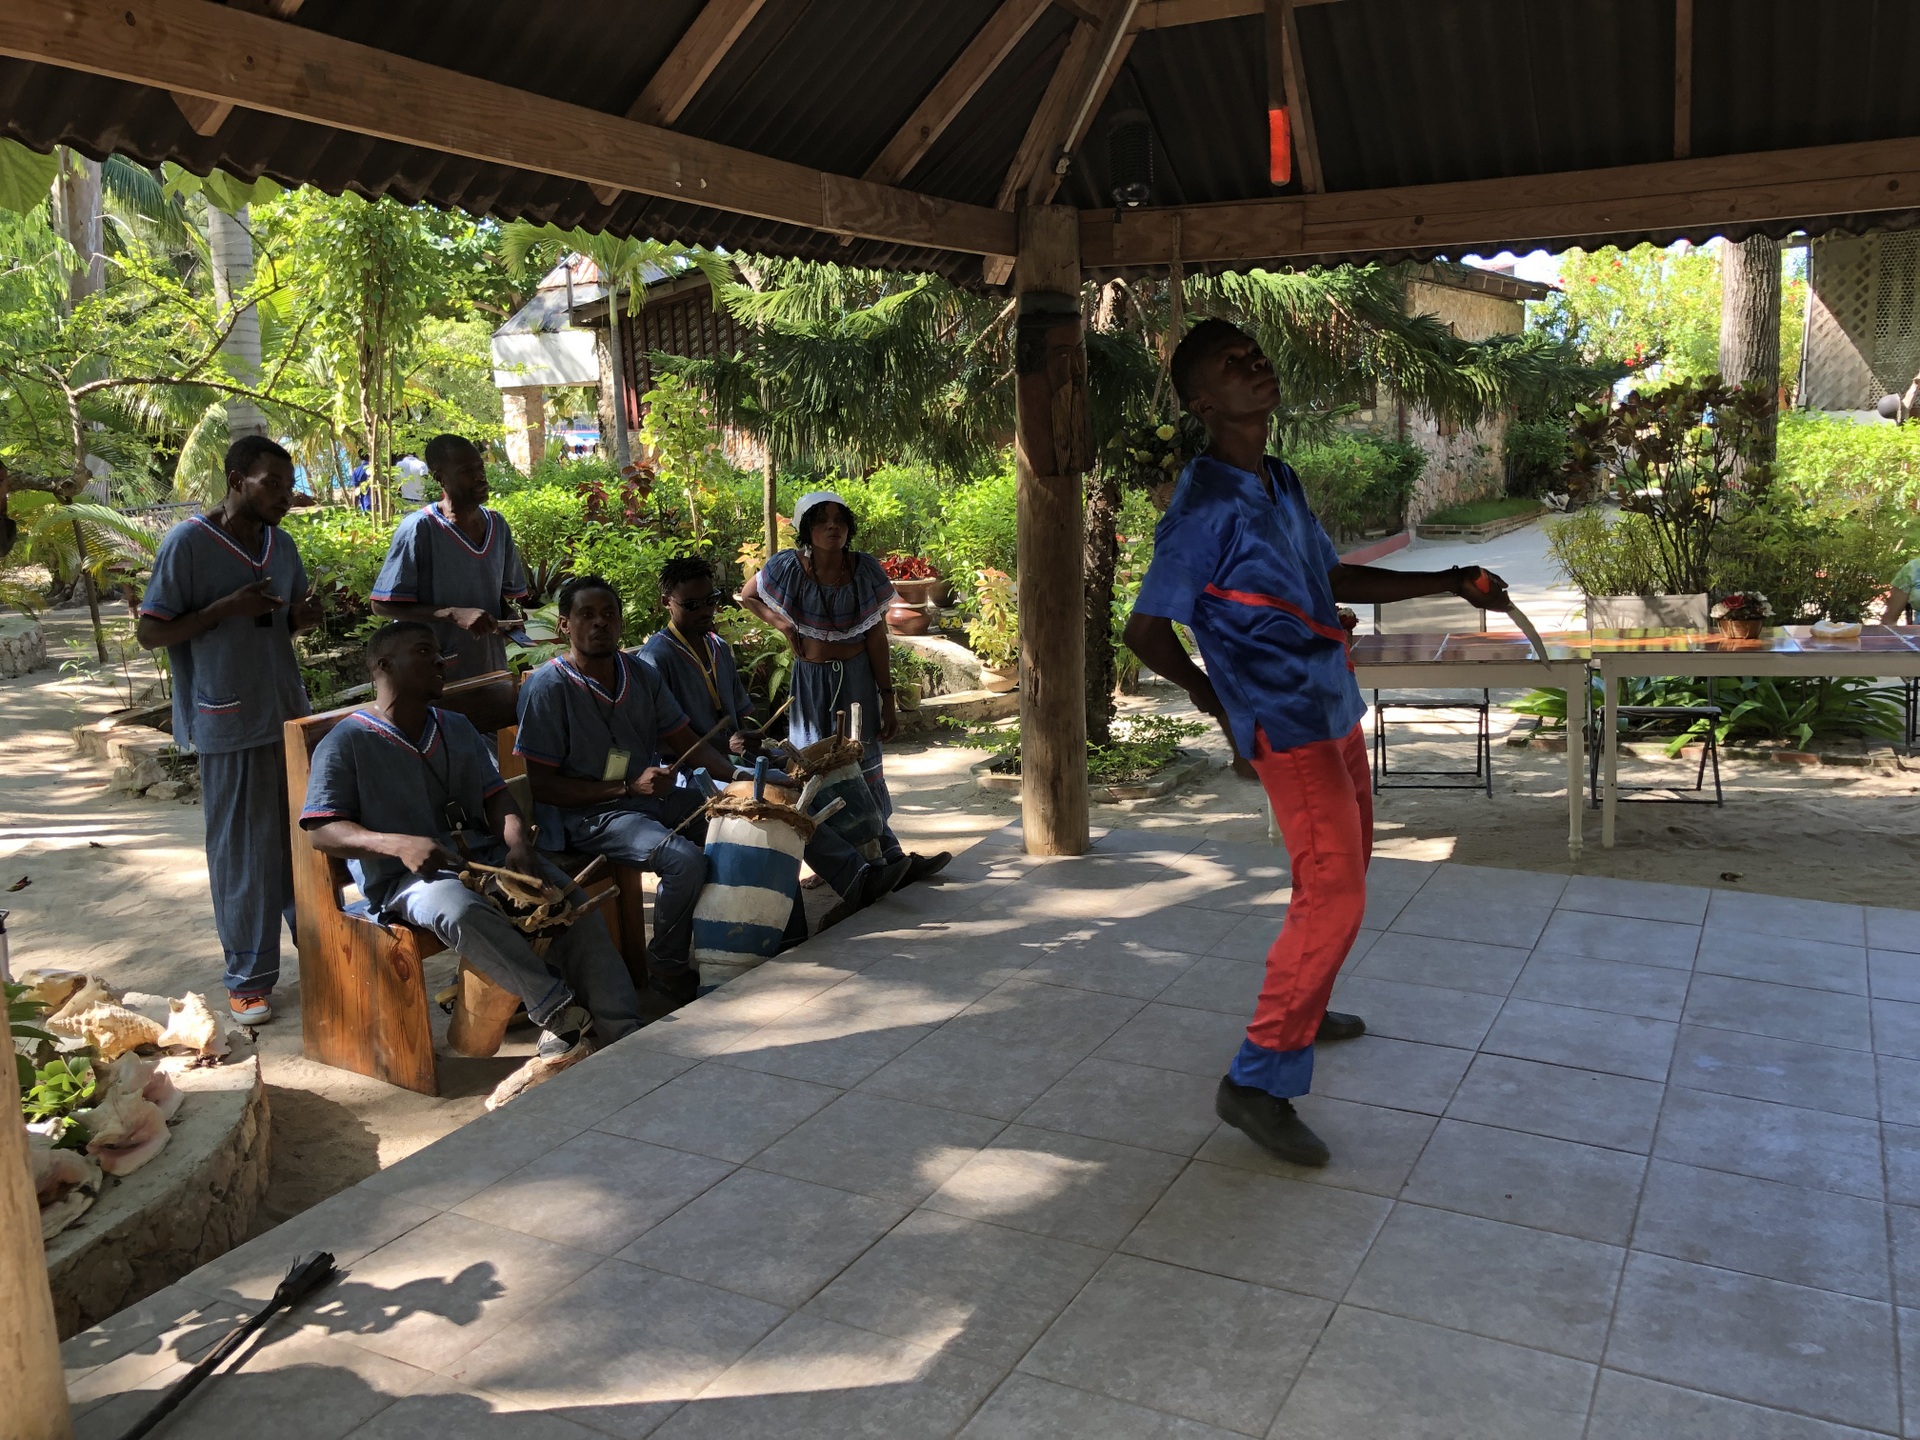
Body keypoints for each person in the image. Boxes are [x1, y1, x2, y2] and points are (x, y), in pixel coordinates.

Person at [1123, 319, 1513, 1167]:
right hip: (1285, 723)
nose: (1255, 364)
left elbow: (1328, 578)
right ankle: (1256, 1082)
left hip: (1332, 704)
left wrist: (1449, 580)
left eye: (1255, 353)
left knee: (1340, 873)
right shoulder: (1203, 508)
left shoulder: (1279, 478)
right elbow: (1145, 632)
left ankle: (1306, 1004)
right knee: (1334, 893)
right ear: (1203, 403)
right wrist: (1218, 703)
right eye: (1234, 363)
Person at [301, 621, 639, 1068]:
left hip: (487, 858)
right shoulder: (346, 742)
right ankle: (558, 1010)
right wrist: (398, 844)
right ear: (384, 665)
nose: (441, 661)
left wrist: (517, 842)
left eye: (439, 653)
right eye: (425, 651)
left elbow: (496, 797)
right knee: (460, 911)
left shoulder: (455, 727)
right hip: (408, 879)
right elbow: (322, 829)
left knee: (569, 903)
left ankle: (626, 1032)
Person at [137, 436, 323, 1025]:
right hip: (228, 718)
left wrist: (301, 618)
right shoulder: (188, 544)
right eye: (273, 484)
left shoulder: (281, 545)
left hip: (286, 713)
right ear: (238, 479)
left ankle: (323, 954)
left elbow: (277, 624)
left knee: (303, 843)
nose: (285, 496)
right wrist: (222, 609)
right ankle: (248, 980)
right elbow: (151, 632)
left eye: (289, 486)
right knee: (243, 852)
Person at [639, 555, 909, 929]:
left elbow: (738, 722)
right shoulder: (655, 657)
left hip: (733, 761)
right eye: (692, 605)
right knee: (779, 798)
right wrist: (727, 751)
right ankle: (849, 882)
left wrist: (748, 738)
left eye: (711, 600)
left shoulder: (717, 647)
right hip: (692, 775)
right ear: (666, 602)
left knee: (815, 771)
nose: (705, 611)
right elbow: (663, 742)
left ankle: (881, 856)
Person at [514, 575, 741, 1005]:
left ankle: (736, 942)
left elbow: (683, 739)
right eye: (586, 615)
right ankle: (667, 966)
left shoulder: (639, 673)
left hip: (648, 800)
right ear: (564, 625)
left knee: (734, 821)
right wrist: (626, 786)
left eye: (608, 614)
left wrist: (735, 778)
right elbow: (542, 787)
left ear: (620, 622)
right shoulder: (547, 688)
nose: (599, 623)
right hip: (588, 817)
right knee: (683, 860)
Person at [739, 492, 950, 886]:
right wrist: (781, 623)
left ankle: (887, 855)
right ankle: (838, 863)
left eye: (839, 520)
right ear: (806, 529)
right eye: (822, 520)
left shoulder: (864, 570)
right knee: (814, 769)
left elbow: (876, 637)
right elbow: (749, 595)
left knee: (860, 764)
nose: (832, 527)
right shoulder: (787, 567)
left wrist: (887, 697)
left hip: (856, 680)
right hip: (810, 684)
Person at [371, 434, 529, 682]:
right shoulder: (419, 529)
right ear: (440, 478)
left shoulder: (497, 525)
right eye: (467, 471)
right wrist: (453, 614)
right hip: (435, 677)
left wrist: (508, 617)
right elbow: (382, 605)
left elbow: (495, 595)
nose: (480, 476)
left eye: (480, 467)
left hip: (490, 668)